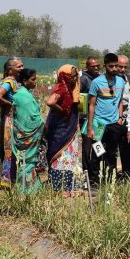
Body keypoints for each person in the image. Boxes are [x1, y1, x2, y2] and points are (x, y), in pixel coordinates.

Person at [86, 53, 125, 185]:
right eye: (111, 66)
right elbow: (91, 105)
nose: (114, 68)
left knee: (112, 153)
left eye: (116, 66)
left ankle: (110, 180)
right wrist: (90, 128)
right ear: (105, 66)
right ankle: (95, 181)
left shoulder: (121, 81)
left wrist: (120, 118)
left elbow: (120, 101)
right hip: (99, 124)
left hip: (114, 125)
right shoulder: (96, 82)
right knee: (98, 152)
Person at [45, 64, 82, 194]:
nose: (73, 79)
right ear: (63, 76)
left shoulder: (72, 88)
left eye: (75, 76)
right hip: (60, 128)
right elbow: (50, 102)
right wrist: (63, 111)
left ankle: (68, 184)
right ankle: (57, 185)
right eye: (70, 76)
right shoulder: (61, 88)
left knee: (70, 155)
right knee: (59, 155)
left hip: (69, 127)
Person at [0, 57, 24, 186]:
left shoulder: (15, 81)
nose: (22, 68)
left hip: (13, 120)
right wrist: (11, 104)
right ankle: (7, 179)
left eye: (22, 66)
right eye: (19, 66)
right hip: (9, 120)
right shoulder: (9, 81)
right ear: (10, 70)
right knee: (8, 148)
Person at [12, 68, 44, 194]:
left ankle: (30, 187)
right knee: (27, 160)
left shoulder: (23, 93)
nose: (35, 81)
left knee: (26, 161)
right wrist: (41, 124)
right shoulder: (23, 95)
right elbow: (31, 118)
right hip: (27, 134)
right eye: (33, 79)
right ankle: (25, 189)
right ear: (25, 81)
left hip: (24, 134)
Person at [79, 56, 100, 183]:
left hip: (99, 120)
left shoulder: (100, 79)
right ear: (87, 67)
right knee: (87, 148)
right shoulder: (84, 79)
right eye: (93, 66)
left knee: (98, 146)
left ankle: (96, 173)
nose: (96, 68)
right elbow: (79, 100)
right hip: (87, 120)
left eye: (98, 65)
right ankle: (86, 174)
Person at [117, 54, 130, 179]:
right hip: (112, 119)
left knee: (127, 147)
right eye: (120, 66)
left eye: (125, 67)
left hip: (126, 119)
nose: (122, 70)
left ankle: (127, 173)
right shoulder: (106, 80)